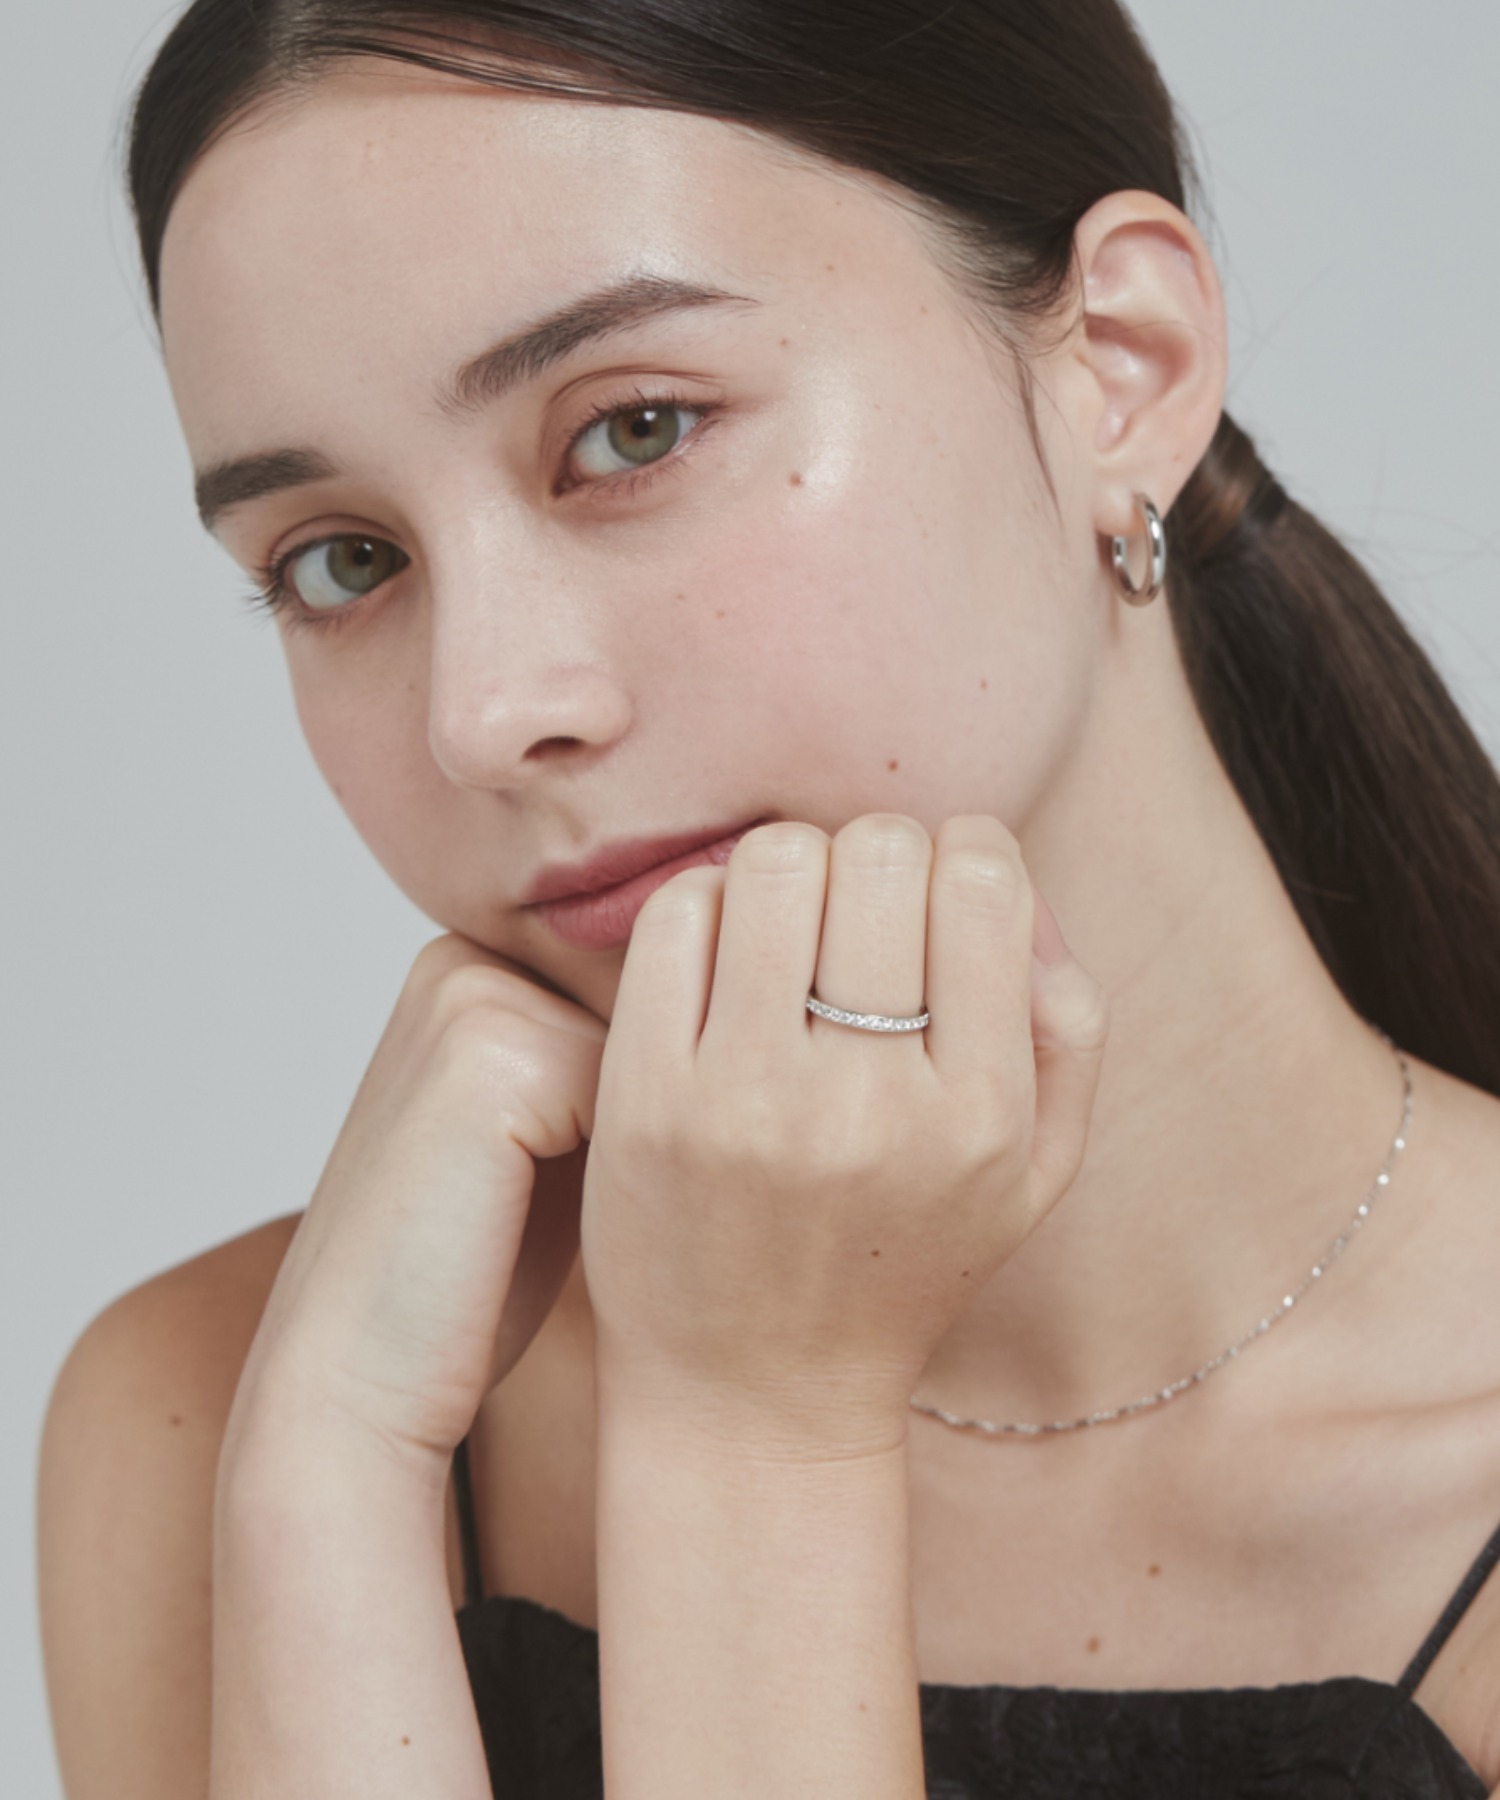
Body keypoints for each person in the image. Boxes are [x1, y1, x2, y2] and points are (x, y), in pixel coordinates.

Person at [36, 1, 1500, 1795]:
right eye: (342, 562)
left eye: (634, 429)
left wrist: (752, 1428)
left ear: (1121, 365)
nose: (484, 713)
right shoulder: (232, 1404)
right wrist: (328, 1485)